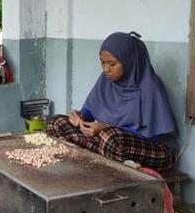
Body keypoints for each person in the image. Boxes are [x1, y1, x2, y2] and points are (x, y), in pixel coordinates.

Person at [47, 31, 177, 171]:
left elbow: (152, 137)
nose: (106, 69)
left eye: (112, 64)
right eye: (102, 63)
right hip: (108, 143)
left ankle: (114, 166)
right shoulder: (106, 80)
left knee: (109, 137)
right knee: (56, 122)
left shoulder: (150, 86)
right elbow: (91, 110)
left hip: (150, 151)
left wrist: (104, 128)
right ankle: (93, 161)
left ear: (129, 62)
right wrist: (80, 116)